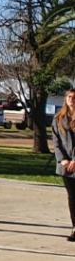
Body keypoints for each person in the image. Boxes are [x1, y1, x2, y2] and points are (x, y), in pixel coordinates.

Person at [53, 88, 75, 242]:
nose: (71, 100)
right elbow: (56, 143)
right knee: (72, 197)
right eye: (69, 97)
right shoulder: (58, 119)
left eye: (74, 97)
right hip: (66, 165)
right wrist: (63, 159)